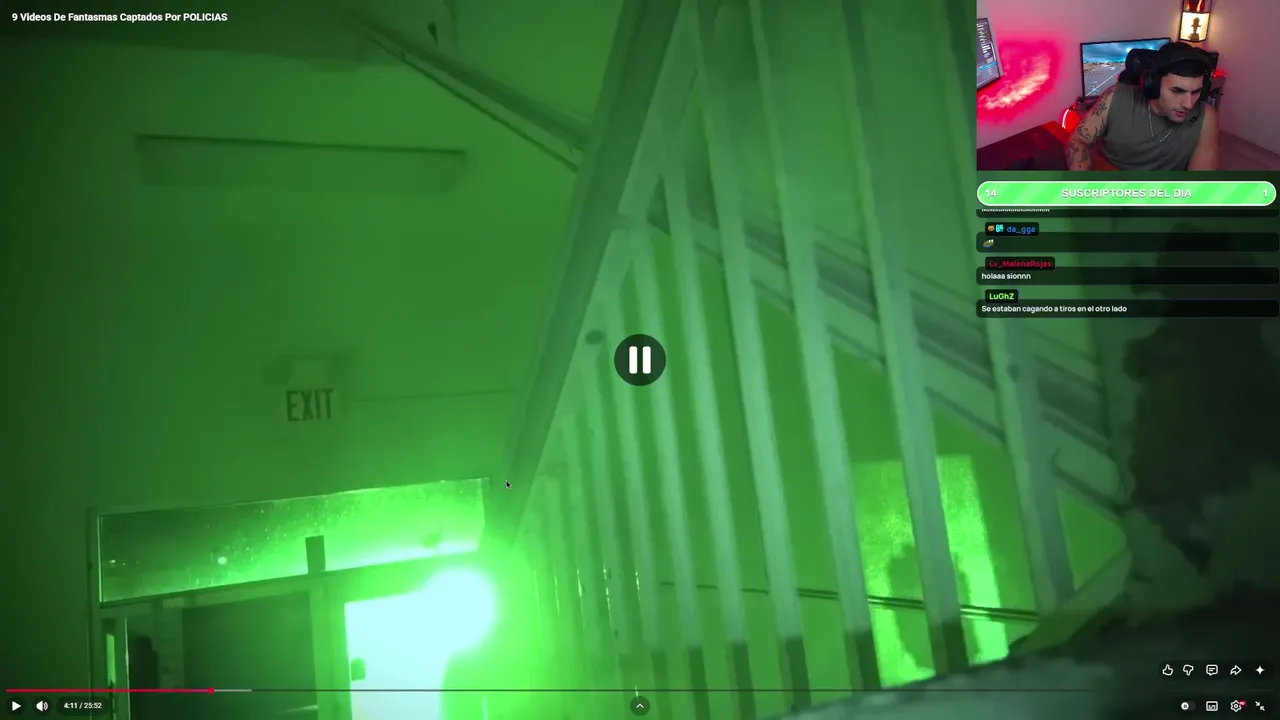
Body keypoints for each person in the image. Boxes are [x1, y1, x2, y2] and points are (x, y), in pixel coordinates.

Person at [1066, 42, 1219, 171]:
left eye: (1196, 92)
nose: (1188, 104)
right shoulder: (1115, 96)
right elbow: (1077, 141)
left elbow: (1200, 184)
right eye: (1177, 91)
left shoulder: (1206, 116)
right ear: (1153, 84)